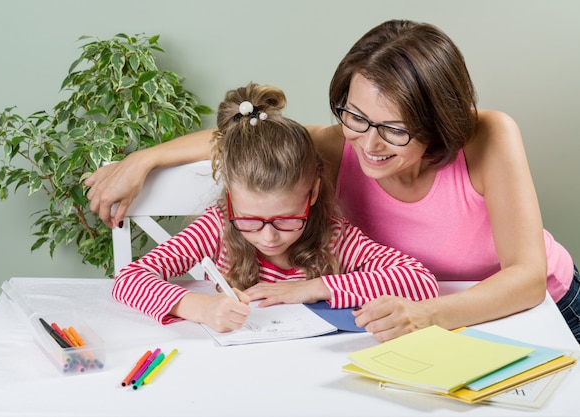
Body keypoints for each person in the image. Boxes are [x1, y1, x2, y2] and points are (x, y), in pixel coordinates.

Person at [87, 19, 580, 343]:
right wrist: (143, 161)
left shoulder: (488, 136)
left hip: (536, 311)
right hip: (408, 315)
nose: (368, 144)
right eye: (356, 117)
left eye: (395, 128)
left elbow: (526, 279)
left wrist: (427, 316)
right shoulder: (338, 143)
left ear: (438, 122)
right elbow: (249, 134)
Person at [111, 82, 439, 333]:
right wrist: (199, 308)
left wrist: (311, 288)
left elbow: (419, 281)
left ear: (312, 193)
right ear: (229, 201)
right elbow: (129, 279)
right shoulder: (219, 225)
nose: (269, 237)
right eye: (250, 220)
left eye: (286, 220)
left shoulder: (333, 235)